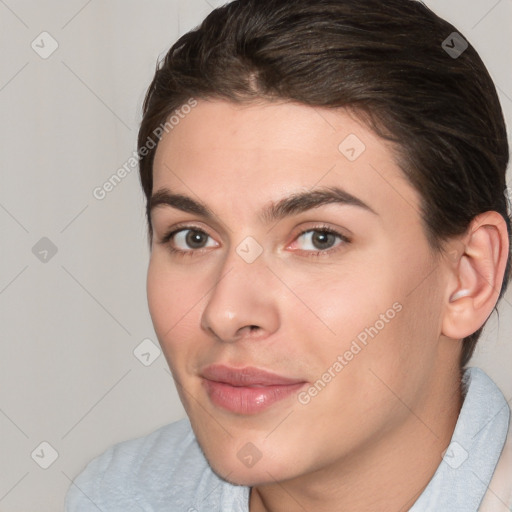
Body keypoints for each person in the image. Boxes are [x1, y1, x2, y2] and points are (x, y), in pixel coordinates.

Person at [65, 0, 512, 510]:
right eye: (192, 237)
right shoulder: (117, 496)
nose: (226, 312)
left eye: (319, 238)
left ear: (468, 276)